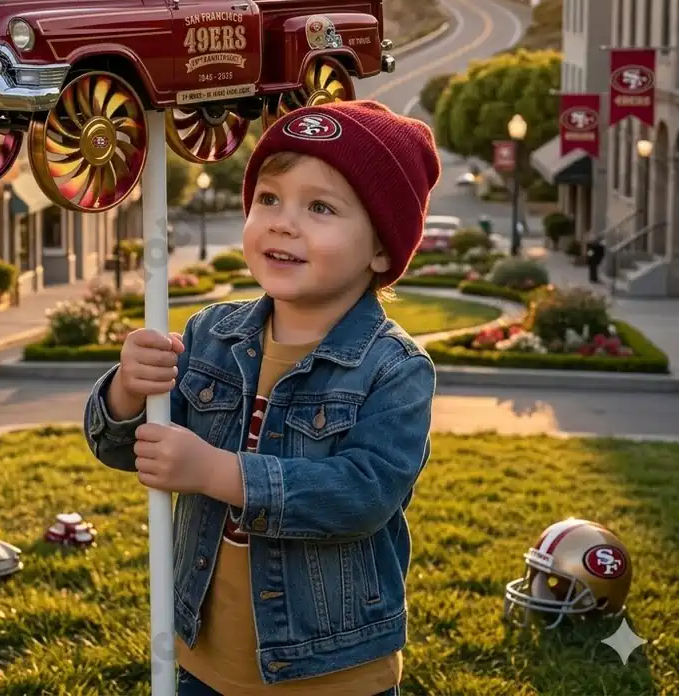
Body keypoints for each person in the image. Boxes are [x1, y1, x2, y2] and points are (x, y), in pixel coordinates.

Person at [83, 100, 441, 695]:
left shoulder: (394, 368)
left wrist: (217, 471)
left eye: (320, 207)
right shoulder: (209, 336)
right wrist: (127, 391)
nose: (281, 222)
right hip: (202, 660)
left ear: (381, 249)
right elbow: (130, 449)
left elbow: (362, 494)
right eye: (268, 199)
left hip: (332, 672)